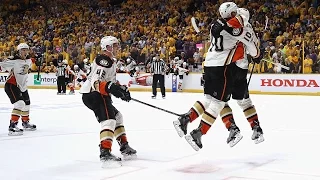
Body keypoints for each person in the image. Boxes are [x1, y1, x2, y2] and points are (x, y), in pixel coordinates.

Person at [173, 2, 261, 151]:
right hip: (224, 67)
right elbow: (248, 38)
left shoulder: (216, 25)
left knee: (209, 98)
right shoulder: (240, 27)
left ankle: (186, 118)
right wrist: (257, 54)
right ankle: (198, 133)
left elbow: (231, 24)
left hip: (209, 64)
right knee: (221, 102)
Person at [80, 36, 136, 168]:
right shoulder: (103, 60)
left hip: (97, 94)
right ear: (107, 47)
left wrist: (121, 90)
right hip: (94, 94)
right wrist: (111, 88)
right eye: (114, 45)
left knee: (117, 117)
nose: (117, 48)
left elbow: (109, 81)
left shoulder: (110, 60)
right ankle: (105, 152)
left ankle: (124, 145)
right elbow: (96, 82)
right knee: (109, 121)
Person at [219, 8, 264, 147]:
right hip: (242, 68)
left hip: (228, 67)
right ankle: (257, 129)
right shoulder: (249, 28)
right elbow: (254, 49)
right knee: (245, 101)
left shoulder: (231, 25)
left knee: (219, 102)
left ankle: (232, 129)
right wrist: (256, 56)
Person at [0, 43, 36, 136]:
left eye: (26, 50)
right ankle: (12, 126)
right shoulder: (13, 60)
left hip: (22, 86)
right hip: (12, 85)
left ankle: (25, 122)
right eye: (22, 50)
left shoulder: (28, 60)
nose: (24, 52)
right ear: (19, 51)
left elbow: (32, 61)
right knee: (20, 104)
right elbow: (2, 66)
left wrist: (36, 59)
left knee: (27, 104)